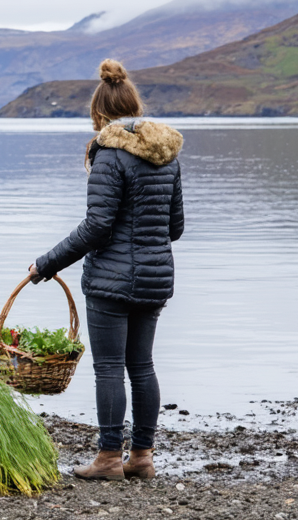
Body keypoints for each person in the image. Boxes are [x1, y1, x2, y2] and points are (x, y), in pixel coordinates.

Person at [28, 59, 184, 481]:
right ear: (135, 106)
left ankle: (110, 457)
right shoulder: (167, 155)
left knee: (110, 368)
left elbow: (97, 226)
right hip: (155, 278)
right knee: (143, 366)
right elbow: (175, 228)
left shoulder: (109, 155)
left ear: (98, 114)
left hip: (111, 282)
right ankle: (143, 457)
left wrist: (46, 264)